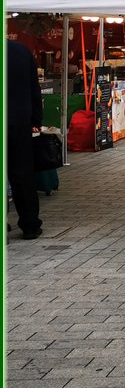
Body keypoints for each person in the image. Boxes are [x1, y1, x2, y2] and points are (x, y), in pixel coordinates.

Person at [7, 40, 44, 239]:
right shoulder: (21, 50)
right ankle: (30, 224)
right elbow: (34, 88)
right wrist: (36, 119)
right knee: (22, 174)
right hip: (18, 122)